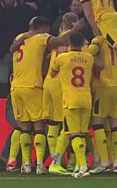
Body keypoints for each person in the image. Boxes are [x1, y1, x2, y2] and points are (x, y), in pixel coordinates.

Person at [8, 16, 75, 174]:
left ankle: (25, 164)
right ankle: (39, 164)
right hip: (33, 85)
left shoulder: (19, 37)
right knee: (38, 127)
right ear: (43, 27)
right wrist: (74, 29)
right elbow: (59, 41)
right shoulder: (41, 37)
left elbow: (11, 48)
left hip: (16, 87)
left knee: (24, 127)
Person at [50, 32, 101, 178]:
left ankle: (82, 167)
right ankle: (60, 163)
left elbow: (53, 72)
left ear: (69, 43)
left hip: (70, 100)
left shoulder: (62, 58)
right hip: (86, 99)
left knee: (74, 133)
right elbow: (99, 65)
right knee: (78, 131)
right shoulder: (89, 58)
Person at [85, 34, 117, 174]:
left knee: (97, 123)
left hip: (105, 85)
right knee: (115, 126)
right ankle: (116, 163)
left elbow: (87, 55)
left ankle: (104, 162)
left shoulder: (99, 40)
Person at [43, 12, 78, 161]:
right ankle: (66, 162)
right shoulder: (73, 40)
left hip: (48, 83)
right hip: (61, 84)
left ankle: (55, 159)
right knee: (66, 125)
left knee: (52, 123)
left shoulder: (54, 41)